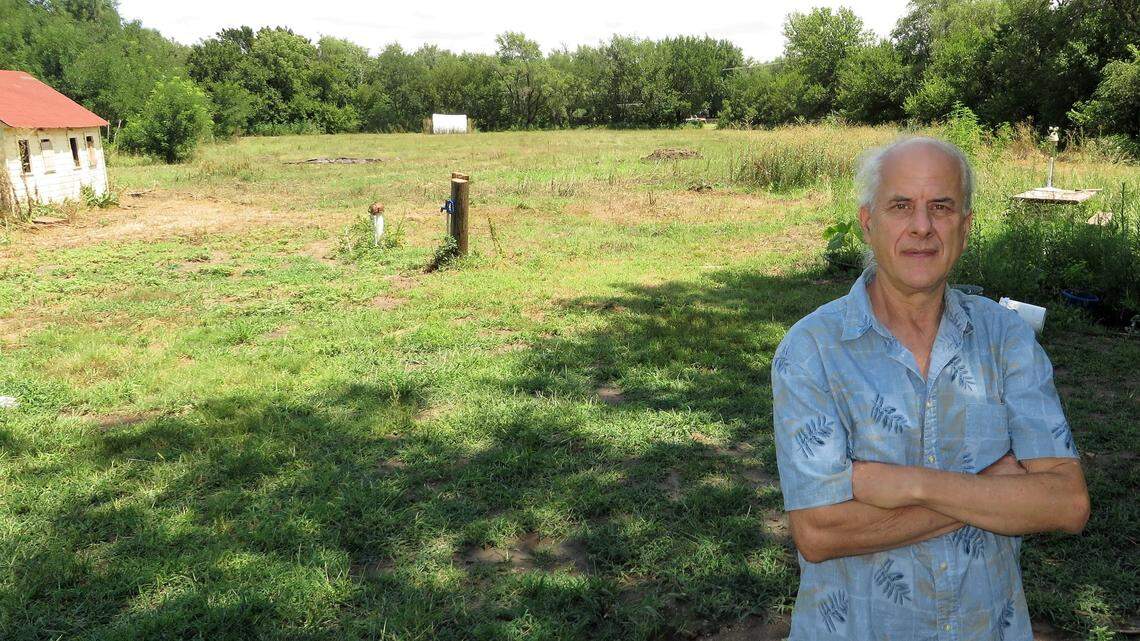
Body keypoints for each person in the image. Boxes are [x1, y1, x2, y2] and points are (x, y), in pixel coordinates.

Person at [771, 136, 1090, 640]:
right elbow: (819, 531)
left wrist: (911, 486)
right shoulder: (812, 350)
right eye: (901, 206)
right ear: (868, 222)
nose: (922, 226)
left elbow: (1067, 504)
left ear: (964, 227)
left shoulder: (1007, 340)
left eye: (941, 207)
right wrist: (992, 493)